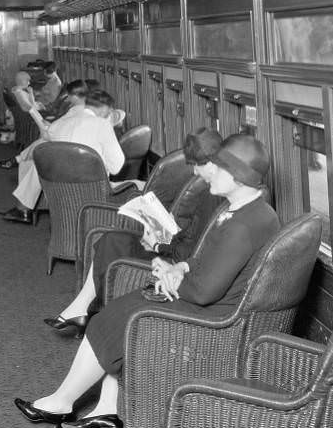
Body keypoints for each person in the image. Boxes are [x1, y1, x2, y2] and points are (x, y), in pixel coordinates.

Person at [14, 134, 280, 428]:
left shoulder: (243, 225)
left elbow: (204, 292)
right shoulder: (245, 211)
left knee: (113, 319)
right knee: (121, 310)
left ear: (238, 176)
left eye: (217, 168)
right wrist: (180, 267)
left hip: (210, 315)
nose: (208, 173)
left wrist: (173, 278)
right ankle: (105, 409)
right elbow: (211, 259)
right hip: (206, 299)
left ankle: (62, 402)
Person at [44, 127, 224, 334]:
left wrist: (158, 244)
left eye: (196, 166)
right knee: (113, 239)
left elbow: (191, 251)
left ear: (209, 163)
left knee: (113, 242)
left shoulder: (213, 195)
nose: (194, 172)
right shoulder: (214, 191)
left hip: (175, 262)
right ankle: (81, 308)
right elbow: (194, 238)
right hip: (177, 250)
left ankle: (83, 310)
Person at [0, 89, 125, 223]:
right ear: (104, 110)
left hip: (58, 189)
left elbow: (46, 137)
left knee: (39, 162)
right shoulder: (103, 124)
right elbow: (116, 167)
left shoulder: (61, 122)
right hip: (93, 191)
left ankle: (23, 208)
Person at [0, 79, 88, 170]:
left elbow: (65, 122)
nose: (68, 98)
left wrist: (52, 124)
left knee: (43, 139)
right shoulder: (76, 108)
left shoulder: (77, 111)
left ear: (75, 97)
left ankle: (18, 160)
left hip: (66, 139)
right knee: (42, 139)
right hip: (60, 131)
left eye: (69, 96)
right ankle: (18, 160)